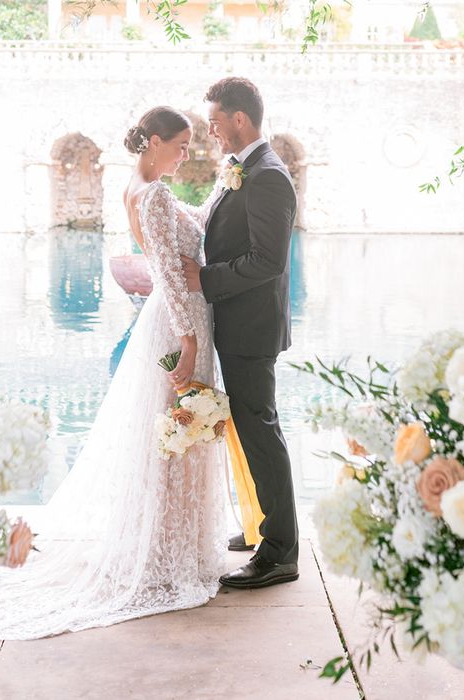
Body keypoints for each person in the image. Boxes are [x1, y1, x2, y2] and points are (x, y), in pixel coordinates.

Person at [0, 107, 228, 638]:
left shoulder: (141, 187)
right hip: (180, 322)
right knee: (179, 430)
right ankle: (171, 552)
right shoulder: (154, 194)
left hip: (169, 318)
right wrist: (188, 340)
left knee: (172, 433)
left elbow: (184, 235)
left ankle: (166, 544)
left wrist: (221, 194)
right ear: (154, 142)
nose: (187, 154)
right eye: (180, 145)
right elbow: (166, 273)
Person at [181, 77, 299, 589]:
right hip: (238, 324)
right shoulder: (243, 169)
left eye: (214, 121)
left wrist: (204, 280)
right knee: (252, 432)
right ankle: (262, 528)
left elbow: (267, 262)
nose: (210, 131)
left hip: (251, 329)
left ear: (239, 120)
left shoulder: (267, 176)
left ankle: (279, 553)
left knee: (261, 433)